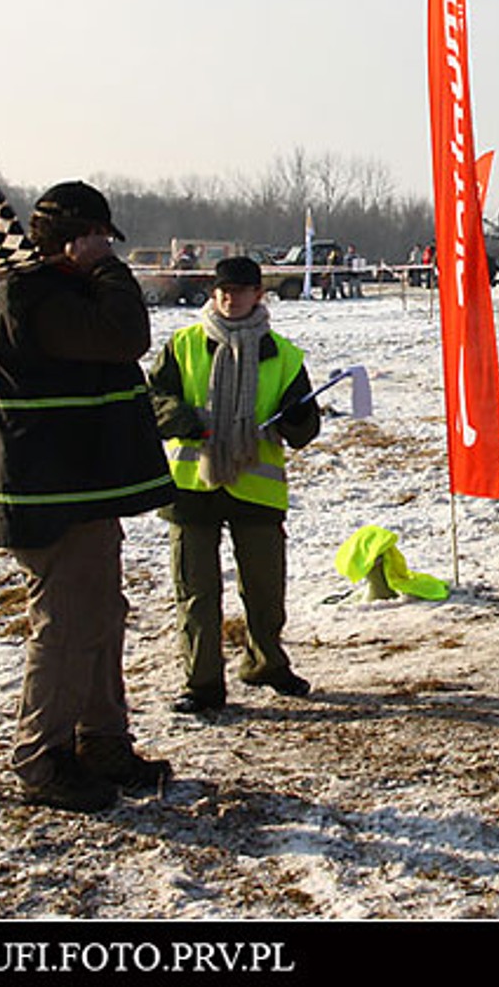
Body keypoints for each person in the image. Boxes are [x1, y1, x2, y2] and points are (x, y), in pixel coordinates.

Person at [0, 180, 178, 812]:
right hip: (52, 495)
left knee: (100, 615)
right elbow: (124, 335)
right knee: (65, 625)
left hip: (78, 488)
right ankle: (43, 757)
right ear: (76, 239)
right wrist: (110, 273)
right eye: (99, 239)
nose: (106, 250)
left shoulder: (53, 292)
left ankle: (102, 741)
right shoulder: (34, 297)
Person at [149, 256, 322, 713]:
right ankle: (202, 684)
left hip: (256, 488)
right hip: (192, 487)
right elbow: (153, 399)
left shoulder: (284, 355)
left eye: (241, 291)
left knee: (265, 590)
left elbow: (304, 430)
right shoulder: (183, 345)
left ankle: (266, 664)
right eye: (224, 291)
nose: (231, 298)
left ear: (258, 295)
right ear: (214, 293)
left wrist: (298, 417)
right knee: (196, 592)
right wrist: (183, 420)